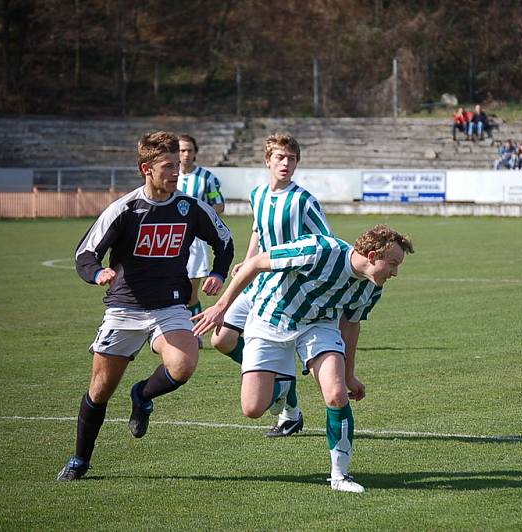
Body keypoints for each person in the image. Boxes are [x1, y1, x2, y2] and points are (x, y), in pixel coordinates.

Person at [56, 131, 234, 481]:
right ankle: (80, 460)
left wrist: (217, 271)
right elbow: (84, 254)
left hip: (169, 307)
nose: (175, 172)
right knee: (100, 390)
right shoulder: (124, 209)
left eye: (177, 166)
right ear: (146, 169)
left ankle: (142, 394)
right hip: (124, 309)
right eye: (167, 166)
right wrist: (98, 273)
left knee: (183, 364)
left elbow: (224, 241)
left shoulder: (188, 207)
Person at [193, 225, 414, 493]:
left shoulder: (371, 288)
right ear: (370, 255)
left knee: (335, 394)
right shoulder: (319, 250)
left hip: (318, 326)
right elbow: (256, 263)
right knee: (252, 409)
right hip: (270, 319)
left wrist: (348, 376)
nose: (395, 273)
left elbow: (350, 325)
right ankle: (283, 386)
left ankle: (340, 476)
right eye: (392, 264)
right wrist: (221, 306)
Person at [211, 132, 333, 438]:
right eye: (280, 157)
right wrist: (248, 259)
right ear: (268, 160)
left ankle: (282, 398)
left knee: (253, 395)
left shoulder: (303, 200)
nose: (286, 163)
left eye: (291, 159)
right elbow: (258, 230)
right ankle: (278, 385)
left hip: (286, 293)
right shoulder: (258, 195)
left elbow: (326, 243)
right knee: (221, 339)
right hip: (258, 282)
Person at [177, 134, 226, 347]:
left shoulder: (207, 178)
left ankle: (193, 334)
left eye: (189, 150)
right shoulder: (169, 175)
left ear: (195, 152)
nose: (185, 154)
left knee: (190, 293)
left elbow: (219, 204)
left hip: (195, 243)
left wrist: (200, 220)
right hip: (172, 240)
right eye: (181, 150)